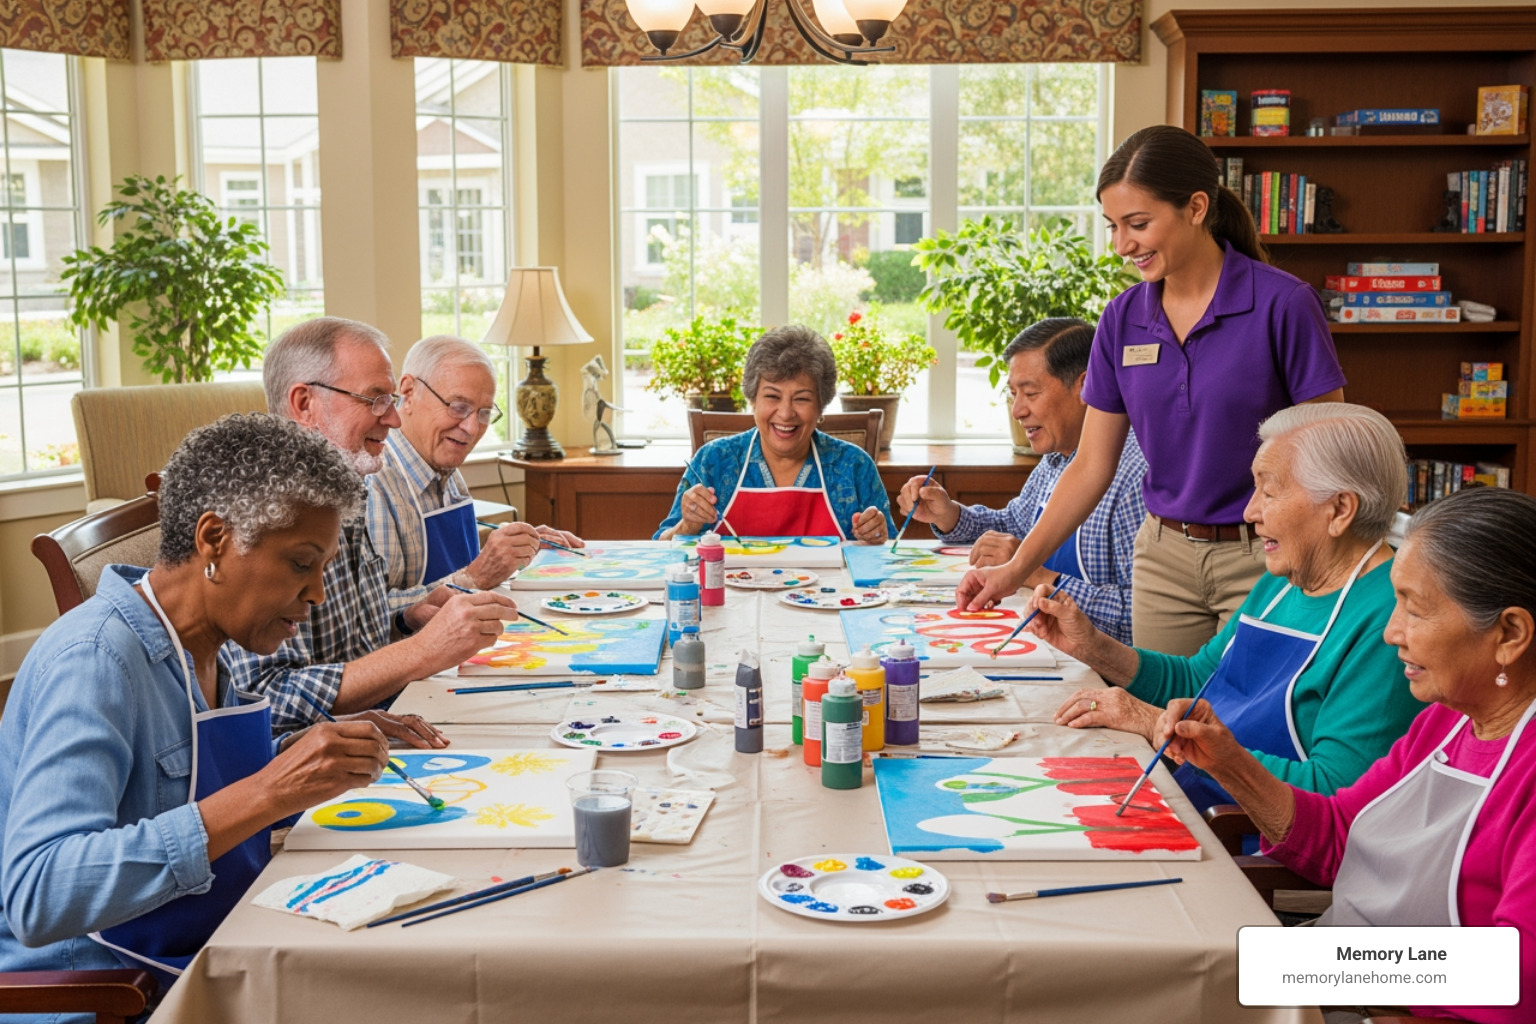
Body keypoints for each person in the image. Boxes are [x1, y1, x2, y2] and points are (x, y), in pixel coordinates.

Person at [0, 414, 447, 998]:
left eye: (323, 569)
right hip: (114, 992)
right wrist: (270, 790)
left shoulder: (212, 642)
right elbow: (40, 892)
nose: (315, 593)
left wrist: (310, 751)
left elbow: (184, 782)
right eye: (300, 563)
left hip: (216, 944)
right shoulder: (95, 660)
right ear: (214, 540)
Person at [957, 125, 1346, 656]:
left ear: (1196, 207)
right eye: (1113, 226)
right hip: (1162, 559)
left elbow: (1331, 451)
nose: (1122, 245)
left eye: (1138, 224)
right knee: (1163, 719)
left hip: (1264, 554)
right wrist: (1015, 569)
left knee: (1240, 722)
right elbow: (1091, 466)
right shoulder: (1122, 319)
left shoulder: (1283, 305)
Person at [1159, 486, 1536, 1024]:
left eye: (1415, 609)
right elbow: (1340, 837)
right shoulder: (1446, 722)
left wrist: (1316, 968)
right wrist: (1226, 761)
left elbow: (1513, 976)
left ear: (1510, 634)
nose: (1390, 632)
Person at [1031, 404, 1421, 813]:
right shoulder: (1281, 580)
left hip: (1249, 840)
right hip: (1199, 799)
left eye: (1268, 493)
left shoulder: (1389, 619)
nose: (1250, 512)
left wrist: (1154, 724)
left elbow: (1333, 794)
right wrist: (1092, 646)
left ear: (1340, 509)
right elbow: (1199, 679)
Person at [221, 317, 521, 730]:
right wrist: (419, 653)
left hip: (380, 724)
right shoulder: (260, 517)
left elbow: (353, 636)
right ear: (305, 403)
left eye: (392, 399)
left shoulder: (348, 488)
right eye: (376, 399)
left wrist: (407, 616)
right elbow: (264, 701)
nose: (395, 419)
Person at [896, 318, 1147, 645]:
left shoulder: (1135, 476)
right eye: (1013, 394)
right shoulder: (1057, 458)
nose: (1016, 410)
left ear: (1087, 387)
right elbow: (1014, 527)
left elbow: (1140, 619)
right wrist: (949, 515)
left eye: (1030, 393)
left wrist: (1034, 575)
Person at [367, 334, 584, 608]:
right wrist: (475, 577)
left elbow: (456, 572)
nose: (472, 429)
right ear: (408, 393)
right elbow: (372, 617)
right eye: (458, 407)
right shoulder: (375, 485)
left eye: (483, 413)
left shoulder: (447, 469)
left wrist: (518, 553)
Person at [654, 325, 895, 543]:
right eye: (772, 396)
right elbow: (660, 549)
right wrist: (687, 526)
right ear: (752, 399)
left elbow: (891, 552)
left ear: (821, 406)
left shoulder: (854, 465)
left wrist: (877, 536)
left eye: (802, 399)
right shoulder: (713, 461)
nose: (786, 413)